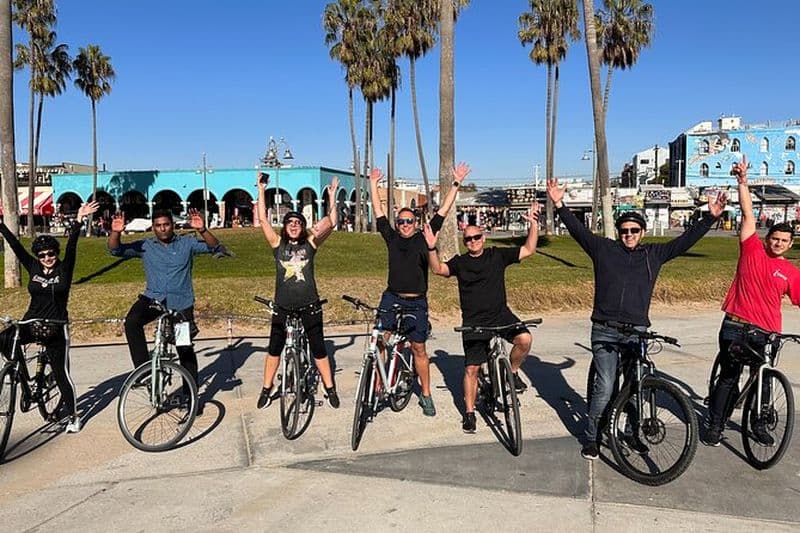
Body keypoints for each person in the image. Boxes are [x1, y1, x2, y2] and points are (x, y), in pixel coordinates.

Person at [546, 178, 728, 460]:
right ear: (618, 232)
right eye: (624, 230)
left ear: (642, 232)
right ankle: (592, 436)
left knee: (635, 385)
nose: (628, 234)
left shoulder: (653, 255)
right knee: (606, 386)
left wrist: (709, 218)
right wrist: (559, 204)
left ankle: (632, 432)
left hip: (636, 332)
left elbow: (683, 242)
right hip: (604, 330)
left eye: (634, 230)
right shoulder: (603, 249)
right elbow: (578, 231)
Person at [704, 155, 800, 446]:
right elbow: (747, 214)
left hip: (766, 331)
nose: (778, 243)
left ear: (790, 243)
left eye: (784, 241)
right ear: (767, 237)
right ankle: (715, 425)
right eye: (775, 238)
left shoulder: (791, 272)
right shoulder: (751, 249)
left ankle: (759, 423)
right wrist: (742, 182)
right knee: (729, 377)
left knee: (765, 377)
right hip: (736, 325)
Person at [424, 202, 540, 433]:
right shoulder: (460, 262)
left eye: (476, 237)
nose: (472, 242)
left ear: (483, 238)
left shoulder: (497, 255)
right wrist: (431, 248)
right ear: (464, 242)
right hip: (474, 322)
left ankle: (513, 372)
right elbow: (438, 269)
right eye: (468, 239)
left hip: (501, 315)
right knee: (472, 369)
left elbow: (528, 250)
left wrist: (534, 225)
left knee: (525, 339)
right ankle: (469, 413)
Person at [369, 163, 469, 416]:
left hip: (416, 302)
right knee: (381, 340)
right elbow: (378, 210)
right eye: (401, 221)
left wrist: (456, 182)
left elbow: (444, 210)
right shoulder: (391, 237)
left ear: (416, 222)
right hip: (391, 297)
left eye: (408, 221)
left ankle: (426, 394)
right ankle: (379, 383)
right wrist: (373, 183)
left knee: (419, 348)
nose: (404, 224)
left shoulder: (425, 236)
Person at [108, 208, 223, 413]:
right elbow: (115, 250)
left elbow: (215, 247)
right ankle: (143, 370)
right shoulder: (146, 245)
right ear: (153, 227)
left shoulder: (186, 243)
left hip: (180, 304)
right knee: (132, 322)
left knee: (184, 347)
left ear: (173, 225)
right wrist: (116, 232)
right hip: (153, 299)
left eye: (166, 224)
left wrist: (203, 229)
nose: (163, 228)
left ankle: (191, 396)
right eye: (158, 225)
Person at [0, 201, 99, 433]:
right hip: (31, 321)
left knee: (61, 373)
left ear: (56, 253)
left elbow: (73, 245)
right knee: (4, 339)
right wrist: (2, 226)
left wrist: (78, 220)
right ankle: (19, 374)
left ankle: (74, 416)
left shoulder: (64, 269)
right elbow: (14, 245)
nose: (47, 257)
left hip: (56, 326)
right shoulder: (32, 267)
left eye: (51, 253)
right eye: (42, 254)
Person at [255, 172, 341, 410]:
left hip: (310, 305)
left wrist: (331, 196)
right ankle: (267, 387)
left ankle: (329, 386)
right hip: (282, 306)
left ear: (303, 227)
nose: (294, 225)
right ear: (284, 227)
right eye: (290, 222)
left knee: (319, 348)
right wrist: (261, 190)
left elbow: (331, 222)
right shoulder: (277, 244)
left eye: (298, 223)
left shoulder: (311, 244)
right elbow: (262, 219)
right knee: (274, 348)